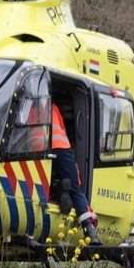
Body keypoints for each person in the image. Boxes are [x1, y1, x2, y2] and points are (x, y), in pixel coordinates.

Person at [50, 103, 101, 245]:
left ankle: (56, 189)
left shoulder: (28, 103)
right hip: (60, 147)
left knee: (43, 180)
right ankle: (90, 231)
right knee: (75, 188)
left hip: (37, 147)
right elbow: (62, 128)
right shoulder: (53, 106)